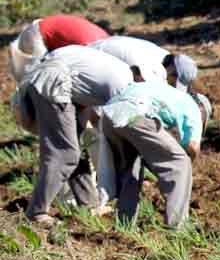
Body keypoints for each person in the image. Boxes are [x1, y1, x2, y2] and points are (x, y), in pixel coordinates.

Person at [11, 45, 132, 225]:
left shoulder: (119, 75)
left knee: (77, 148)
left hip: (59, 79)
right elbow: (114, 131)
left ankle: (89, 204)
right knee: (64, 153)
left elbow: (93, 113)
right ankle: (36, 212)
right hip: (56, 81)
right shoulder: (125, 86)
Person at [96, 81, 208, 229]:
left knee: (130, 170)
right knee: (180, 163)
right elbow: (192, 147)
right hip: (136, 112)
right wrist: (186, 167)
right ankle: (178, 226)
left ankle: (124, 226)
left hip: (110, 114)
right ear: (202, 111)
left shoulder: (169, 93)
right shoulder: (193, 107)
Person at [88, 36, 197, 88]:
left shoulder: (163, 55)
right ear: (172, 70)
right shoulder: (146, 66)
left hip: (98, 47)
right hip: (91, 60)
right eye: (174, 82)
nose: (171, 85)